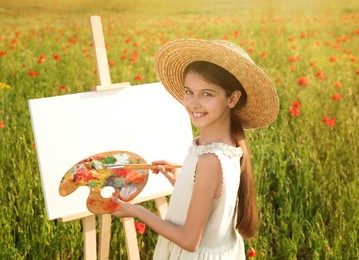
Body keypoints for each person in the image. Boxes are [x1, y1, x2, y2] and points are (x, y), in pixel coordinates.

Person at [111, 39, 279, 259]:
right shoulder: (226, 146)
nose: (194, 103)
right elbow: (213, 201)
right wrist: (180, 181)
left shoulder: (210, 160)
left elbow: (190, 241)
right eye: (189, 91)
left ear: (233, 98)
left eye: (207, 94)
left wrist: (137, 211)